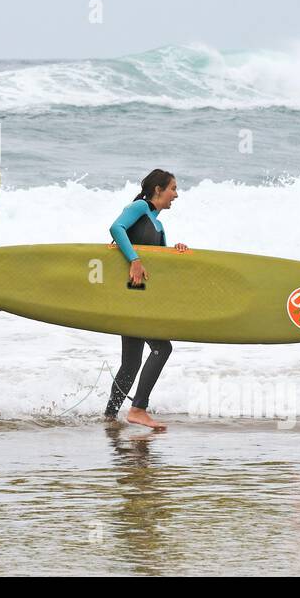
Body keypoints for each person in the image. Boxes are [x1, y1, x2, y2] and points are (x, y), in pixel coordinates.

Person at [106, 169, 189, 429]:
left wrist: (176, 251)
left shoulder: (158, 224)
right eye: (173, 188)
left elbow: (159, 261)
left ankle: (109, 416)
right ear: (158, 189)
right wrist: (135, 260)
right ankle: (138, 409)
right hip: (131, 297)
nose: (176, 194)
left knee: (130, 363)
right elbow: (116, 228)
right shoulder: (140, 206)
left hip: (139, 297)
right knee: (162, 348)